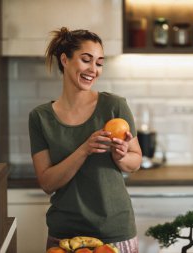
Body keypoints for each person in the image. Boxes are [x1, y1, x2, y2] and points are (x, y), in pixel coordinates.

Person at [28, 27, 142, 253]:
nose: (93, 69)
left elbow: (135, 160)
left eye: (99, 63)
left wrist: (120, 156)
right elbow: (47, 183)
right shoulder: (40, 117)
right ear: (65, 60)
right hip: (65, 235)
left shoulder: (114, 106)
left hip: (115, 231)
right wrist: (84, 149)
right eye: (86, 60)